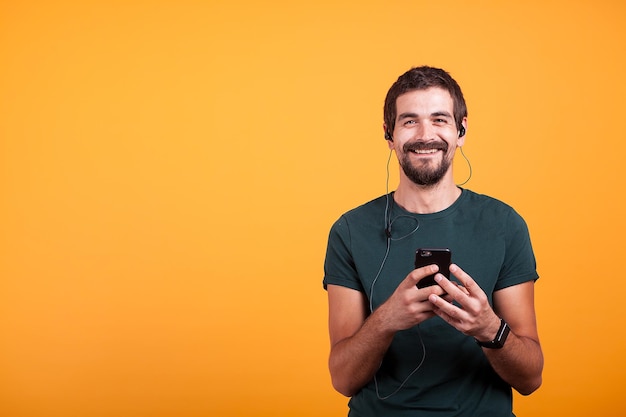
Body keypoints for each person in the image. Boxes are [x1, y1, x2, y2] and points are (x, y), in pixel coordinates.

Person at [323, 66, 543, 416]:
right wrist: (387, 319)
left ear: (461, 131)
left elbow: (531, 378)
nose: (426, 135)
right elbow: (343, 379)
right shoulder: (349, 231)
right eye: (409, 121)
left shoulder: (505, 225)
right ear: (389, 134)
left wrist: (488, 327)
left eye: (439, 119)